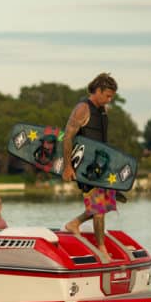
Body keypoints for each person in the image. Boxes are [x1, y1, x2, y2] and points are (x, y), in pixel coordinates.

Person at [61, 72, 119, 258]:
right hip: (85, 166)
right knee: (100, 207)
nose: (109, 100)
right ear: (98, 90)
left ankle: (74, 223)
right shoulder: (82, 108)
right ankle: (101, 250)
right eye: (107, 96)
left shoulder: (102, 110)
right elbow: (68, 137)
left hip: (100, 165)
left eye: (112, 97)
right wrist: (68, 166)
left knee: (104, 205)